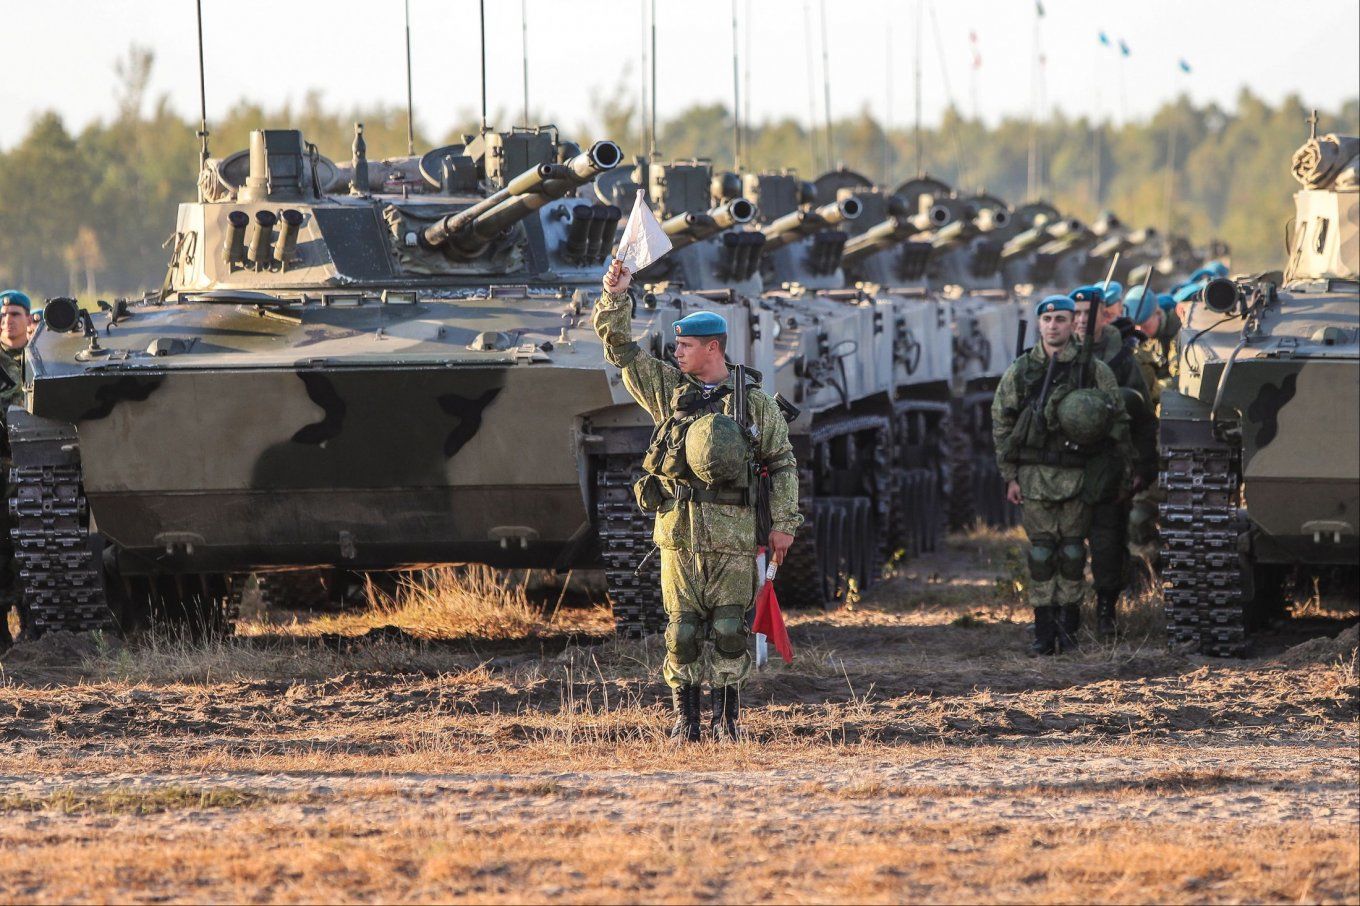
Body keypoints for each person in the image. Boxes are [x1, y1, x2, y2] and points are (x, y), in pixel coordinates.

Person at [593, 260, 801, 741]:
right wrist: (616, 296)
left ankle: (728, 722)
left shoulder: (754, 403)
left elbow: (783, 462)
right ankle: (685, 723)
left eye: (685, 346)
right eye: (676, 345)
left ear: (713, 348)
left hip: (732, 535)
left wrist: (785, 522)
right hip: (679, 534)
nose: (676, 352)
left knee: (730, 630)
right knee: (682, 632)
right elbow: (621, 351)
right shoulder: (669, 392)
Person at [993, 295, 1132, 655]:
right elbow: (1002, 422)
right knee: (1041, 555)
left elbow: (1117, 418)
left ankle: (1069, 629)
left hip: (1077, 477)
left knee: (1072, 554)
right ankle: (1043, 631)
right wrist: (1010, 476)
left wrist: (1113, 472)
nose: (1053, 325)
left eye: (1061, 319)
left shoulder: (1093, 369)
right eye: (1048, 319)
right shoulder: (1022, 370)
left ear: (1074, 325)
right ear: (1039, 324)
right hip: (1034, 478)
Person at [1071, 284, 1158, 636]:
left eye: (1086, 314)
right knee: (1065, 545)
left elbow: (1142, 416)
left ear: (1104, 316)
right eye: (1072, 314)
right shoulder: (1057, 354)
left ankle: (1107, 610)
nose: (1079, 321)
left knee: (1108, 543)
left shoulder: (1120, 355)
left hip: (1109, 465)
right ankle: (1065, 614)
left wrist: (1143, 467)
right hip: (1066, 468)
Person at [0, 290, 38, 652]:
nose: (8, 320)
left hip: (36, 475)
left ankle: (34, 631)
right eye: (4, 314)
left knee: (33, 552)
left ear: (29, 320)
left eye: (16, 314)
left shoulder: (42, 360)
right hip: (1, 471)